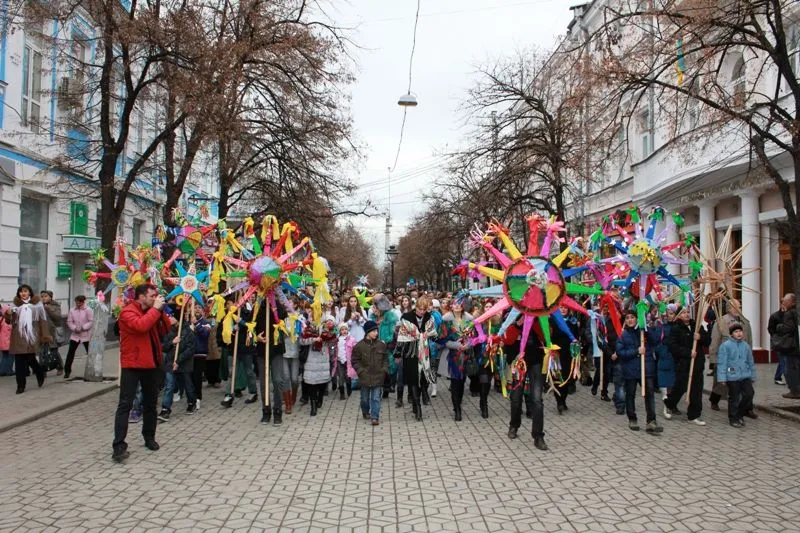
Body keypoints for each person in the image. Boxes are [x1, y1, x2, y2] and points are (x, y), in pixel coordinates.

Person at [113, 284, 170, 462]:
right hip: (132, 364)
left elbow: (165, 330)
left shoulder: (151, 311)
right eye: (152, 295)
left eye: (155, 296)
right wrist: (155, 310)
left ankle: (149, 437)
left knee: (151, 404)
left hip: (151, 364)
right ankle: (119, 446)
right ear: (141, 297)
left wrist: (161, 313)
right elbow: (141, 326)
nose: (155, 298)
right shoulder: (128, 312)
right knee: (125, 404)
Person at [616, 309, 662, 434]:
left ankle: (651, 421)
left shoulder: (644, 331)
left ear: (637, 318)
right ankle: (632, 419)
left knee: (649, 395)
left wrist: (646, 328)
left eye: (632, 317)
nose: (630, 320)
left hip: (646, 368)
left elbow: (656, 340)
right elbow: (620, 352)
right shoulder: (623, 334)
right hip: (630, 369)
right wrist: (636, 351)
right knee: (630, 394)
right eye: (627, 318)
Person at [506, 316, 548, 450]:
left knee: (537, 400)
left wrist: (534, 321)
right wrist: (519, 324)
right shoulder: (513, 317)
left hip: (535, 363)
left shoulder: (540, 318)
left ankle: (538, 436)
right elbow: (507, 339)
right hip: (519, 363)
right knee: (516, 398)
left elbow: (547, 336)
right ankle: (514, 426)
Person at [664, 306, 708, 425]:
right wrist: (687, 353)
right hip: (683, 364)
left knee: (697, 390)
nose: (687, 314)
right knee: (680, 387)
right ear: (679, 315)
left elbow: (708, 341)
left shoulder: (697, 326)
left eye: (688, 312)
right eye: (683, 312)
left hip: (697, 364)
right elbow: (673, 346)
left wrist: (700, 337)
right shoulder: (676, 328)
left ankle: (693, 415)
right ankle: (669, 403)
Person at [708, 299, 754, 413]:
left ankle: (748, 408)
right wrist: (714, 360)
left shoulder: (745, 322)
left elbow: (749, 340)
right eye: (736, 307)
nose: (739, 309)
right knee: (721, 384)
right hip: (726, 358)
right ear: (729, 308)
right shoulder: (721, 321)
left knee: (744, 385)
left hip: (742, 359)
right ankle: (714, 400)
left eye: (740, 306)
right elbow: (715, 341)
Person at [395, 296, 436, 421]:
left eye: (424, 310)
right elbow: (402, 337)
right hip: (410, 352)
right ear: (416, 306)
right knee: (413, 379)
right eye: (419, 309)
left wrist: (430, 336)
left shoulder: (429, 318)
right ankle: (417, 407)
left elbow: (433, 333)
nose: (421, 312)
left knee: (423, 378)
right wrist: (397, 354)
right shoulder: (406, 317)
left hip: (424, 353)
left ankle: (418, 399)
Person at [4, 285, 50, 394]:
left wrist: (45, 336)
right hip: (18, 336)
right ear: (18, 293)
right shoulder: (15, 305)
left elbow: (43, 321)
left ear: (30, 292)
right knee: (19, 362)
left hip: (32, 336)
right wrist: (8, 314)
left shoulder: (37, 305)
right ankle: (20, 386)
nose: (23, 293)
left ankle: (39, 372)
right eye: (21, 292)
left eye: (25, 291)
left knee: (31, 359)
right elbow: (8, 321)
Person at [439, 299, 474, 421]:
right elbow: (442, 339)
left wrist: (468, 344)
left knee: (462, 381)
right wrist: (457, 345)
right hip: (452, 355)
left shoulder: (469, 319)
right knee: (455, 381)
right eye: (455, 304)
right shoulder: (446, 320)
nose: (457, 305)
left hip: (466, 355)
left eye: (460, 303)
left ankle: (459, 402)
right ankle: (457, 409)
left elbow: (474, 336)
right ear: (451, 306)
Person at [717, 323, 756, 427]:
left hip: (745, 375)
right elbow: (722, 363)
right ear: (731, 334)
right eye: (736, 332)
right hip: (732, 375)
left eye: (740, 331)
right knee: (734, 398)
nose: (739, 333)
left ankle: (740, 414)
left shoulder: (746, 345)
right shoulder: (725, 346)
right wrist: (722, 377)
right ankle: (733, 418)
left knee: (749, 394)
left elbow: (750, 361)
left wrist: (752, 375)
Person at [254, 303, 287, 425]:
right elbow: (250, 327)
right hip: (262, 351)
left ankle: (277, 411)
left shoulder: (279, 307)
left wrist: (275, 305)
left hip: (276, 349)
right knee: (263, 383)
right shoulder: (257, 308)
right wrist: (256, 337)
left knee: (278, 380)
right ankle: (266, 410)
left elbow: (284, 318)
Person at [351, 320, 388, 425]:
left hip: (378, 376)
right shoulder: (359, 346)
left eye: (377, 331)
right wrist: (360, 371)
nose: (376, 333)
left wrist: (384, 370)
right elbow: (354, 360)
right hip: (365, 377)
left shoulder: (381, 345)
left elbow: (386, 359)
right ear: (367, 332)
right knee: (364, 399)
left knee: (376, 398)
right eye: (374, 331)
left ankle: (375, 417)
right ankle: (365, 411)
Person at [301, 318, 336, 416]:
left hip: (323, 358)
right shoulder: (307, 327)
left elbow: (333, 341)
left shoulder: (327, 326)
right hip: (311, 359)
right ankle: (313, 406)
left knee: (322, 382)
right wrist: (313, 339)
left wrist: (327, 336)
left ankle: (320, 398)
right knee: (311, 382)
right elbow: (301, 341)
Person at [769, 293, 800, 399]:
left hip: (789, 346)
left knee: (789, 370)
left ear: (791, 302)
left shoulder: (789, 314)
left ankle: (795, 391)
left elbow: (788, 328)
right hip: (795, 346)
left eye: (785, 300)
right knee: (793, 368)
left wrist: (779, 326)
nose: (783, 301)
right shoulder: (794, 312)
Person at [158, 312, 187, 422]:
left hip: (183, 364)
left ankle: (192, 401)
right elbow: (164, 347)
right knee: (169, 385)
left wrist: (178, 360)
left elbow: (189, 348)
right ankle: (165, 409)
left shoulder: (186, 330)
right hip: (170, 363)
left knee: (187, 384)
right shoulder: (168, 331)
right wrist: (172, 342)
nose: (169, 318)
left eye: (172, 316)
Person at [64, 295, 93, 379]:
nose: (77, 304)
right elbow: (69, 321)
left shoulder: (88, 310)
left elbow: (91, 321)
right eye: (76, 302)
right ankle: (67, 371)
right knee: (70, 353)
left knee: (90, 353)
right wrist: (74, 328)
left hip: (86, 335)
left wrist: (83, 327)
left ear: (83, 302)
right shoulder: (72, 310)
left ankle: (92, 369)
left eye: (79, 302)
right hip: (75, 335)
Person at [282, 310, 304, 414]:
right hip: (283, 352)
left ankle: (293, 396)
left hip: (295, 352)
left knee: (294, 379)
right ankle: (288, 404)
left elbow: (301, 333)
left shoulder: (299, 318)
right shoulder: (282, 317)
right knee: (286, 377)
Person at [40, 291, 65, 375]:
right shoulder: (39, 306)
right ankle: (43, 370)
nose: (43, 298)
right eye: (42, 296)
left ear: (50, 297)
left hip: (53, 332)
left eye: (45, 296)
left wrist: (48, 309)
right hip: (43, 332)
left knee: (53, 351)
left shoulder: (55, 305)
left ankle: (60, 367)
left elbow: (58, 318)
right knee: (42, 352)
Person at [332, 322, 356, 400]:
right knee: (341, 377)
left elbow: (355, 348)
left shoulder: (351, 339)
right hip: (339, 361)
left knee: (348, 376)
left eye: (345, 329)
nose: (344, 331)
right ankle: (342, 393)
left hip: (348, 361)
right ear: (340, 331)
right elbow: (334, 348)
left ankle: (349, 388)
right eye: (342, 330)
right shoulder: (337, 339)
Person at [0, 303, 13, 376]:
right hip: (7, 341)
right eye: (9, 309)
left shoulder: (1, 319)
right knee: (10, 356)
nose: (11, 310)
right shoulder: (8, 320)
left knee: (4, 357)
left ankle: (2, 371)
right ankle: (9, 370)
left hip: (2, 341)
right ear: (5, 311)